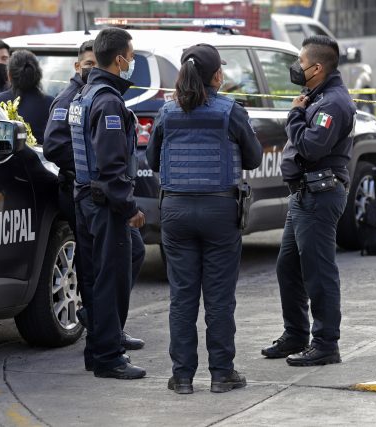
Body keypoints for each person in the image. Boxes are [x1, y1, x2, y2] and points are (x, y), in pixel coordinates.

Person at [146, 44, 262, 394]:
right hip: (219, 212)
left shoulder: (167, 112)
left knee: (182, 298)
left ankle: (182, 377)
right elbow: (254, 158)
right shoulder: (230, 111)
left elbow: (152, 159)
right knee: (219, 298)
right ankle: (221, 374)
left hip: (176, 212)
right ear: (216, 76)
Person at [43, 40, 145, 369]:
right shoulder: (107, 101)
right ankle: (108, 356)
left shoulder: (86, 95)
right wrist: (130, 208)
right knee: (109, 279)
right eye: (130, 56)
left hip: (85, 198)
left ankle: (99, 350)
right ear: (118, 59)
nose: (131, 62)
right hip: (104, 204)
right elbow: (111, 166)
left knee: (95, 277)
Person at [261, 35, 356, 366]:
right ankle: (297, 334)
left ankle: (326, 343)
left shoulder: (332, 104)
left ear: (316, 68)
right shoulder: (316, 97)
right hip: (304, 195)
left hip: (319, 195)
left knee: (318, 271)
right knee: (288, 267)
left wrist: (294, 116)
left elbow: (312, 147)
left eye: (300, 63)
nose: (295, 68)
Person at [0, 50, 54, 145]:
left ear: (9, 75)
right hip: (41, 158)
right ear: (38, 75)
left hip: (7, 157)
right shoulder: (50, 102)